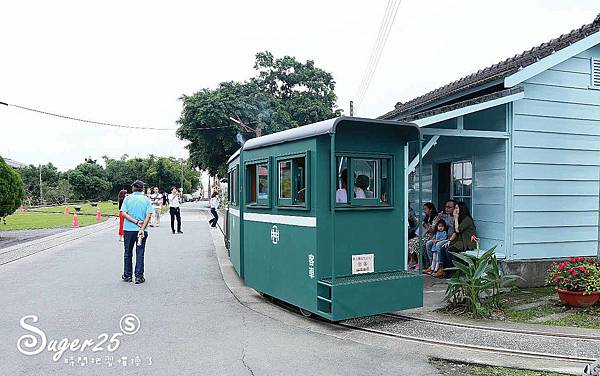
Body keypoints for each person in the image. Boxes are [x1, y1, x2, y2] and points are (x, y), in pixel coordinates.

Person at [120, 180, 154, 284]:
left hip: (129, 230)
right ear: (142, 189)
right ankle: (139, 276)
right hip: (141, 231)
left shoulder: (127, 199)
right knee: (140, 253)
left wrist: (135, 221)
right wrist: (142, 228)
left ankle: (127, 275)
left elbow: (123, 213)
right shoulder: (146, 200)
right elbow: (148, 215)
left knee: (127, 253)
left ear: (133, 188)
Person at [433, 201, 477, 278]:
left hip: (466, 242)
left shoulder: (467, 219)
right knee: (443, 248)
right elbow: (455, 233)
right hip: (458, 241)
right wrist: (449, 241)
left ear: (461, 209)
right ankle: (446, 271)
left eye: (457, 208)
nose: (455, 210)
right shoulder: (459, 219)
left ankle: (455, 272)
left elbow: (458, 230)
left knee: (449, 251)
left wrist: (456, 218)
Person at [407, 202, 438, 270]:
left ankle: (420, 263)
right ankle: (413, 260)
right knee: (411, 241)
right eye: (423, 209)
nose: (424, 211)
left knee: (417, 243)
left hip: (431, 236)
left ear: (431, 209)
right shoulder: (427, 217)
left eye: (425, 209)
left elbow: (432, 231)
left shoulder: (435, 218)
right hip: (425, 235)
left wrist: (424, 225)